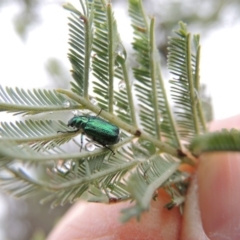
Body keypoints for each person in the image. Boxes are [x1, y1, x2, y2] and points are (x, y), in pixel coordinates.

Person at [47, 115, 240, 240]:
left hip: (110, 135)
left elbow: (93, 136)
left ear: (78, 124)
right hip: (111, 133)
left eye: (74, 124)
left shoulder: (85, 126)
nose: (74, 125)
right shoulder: (88, 120)